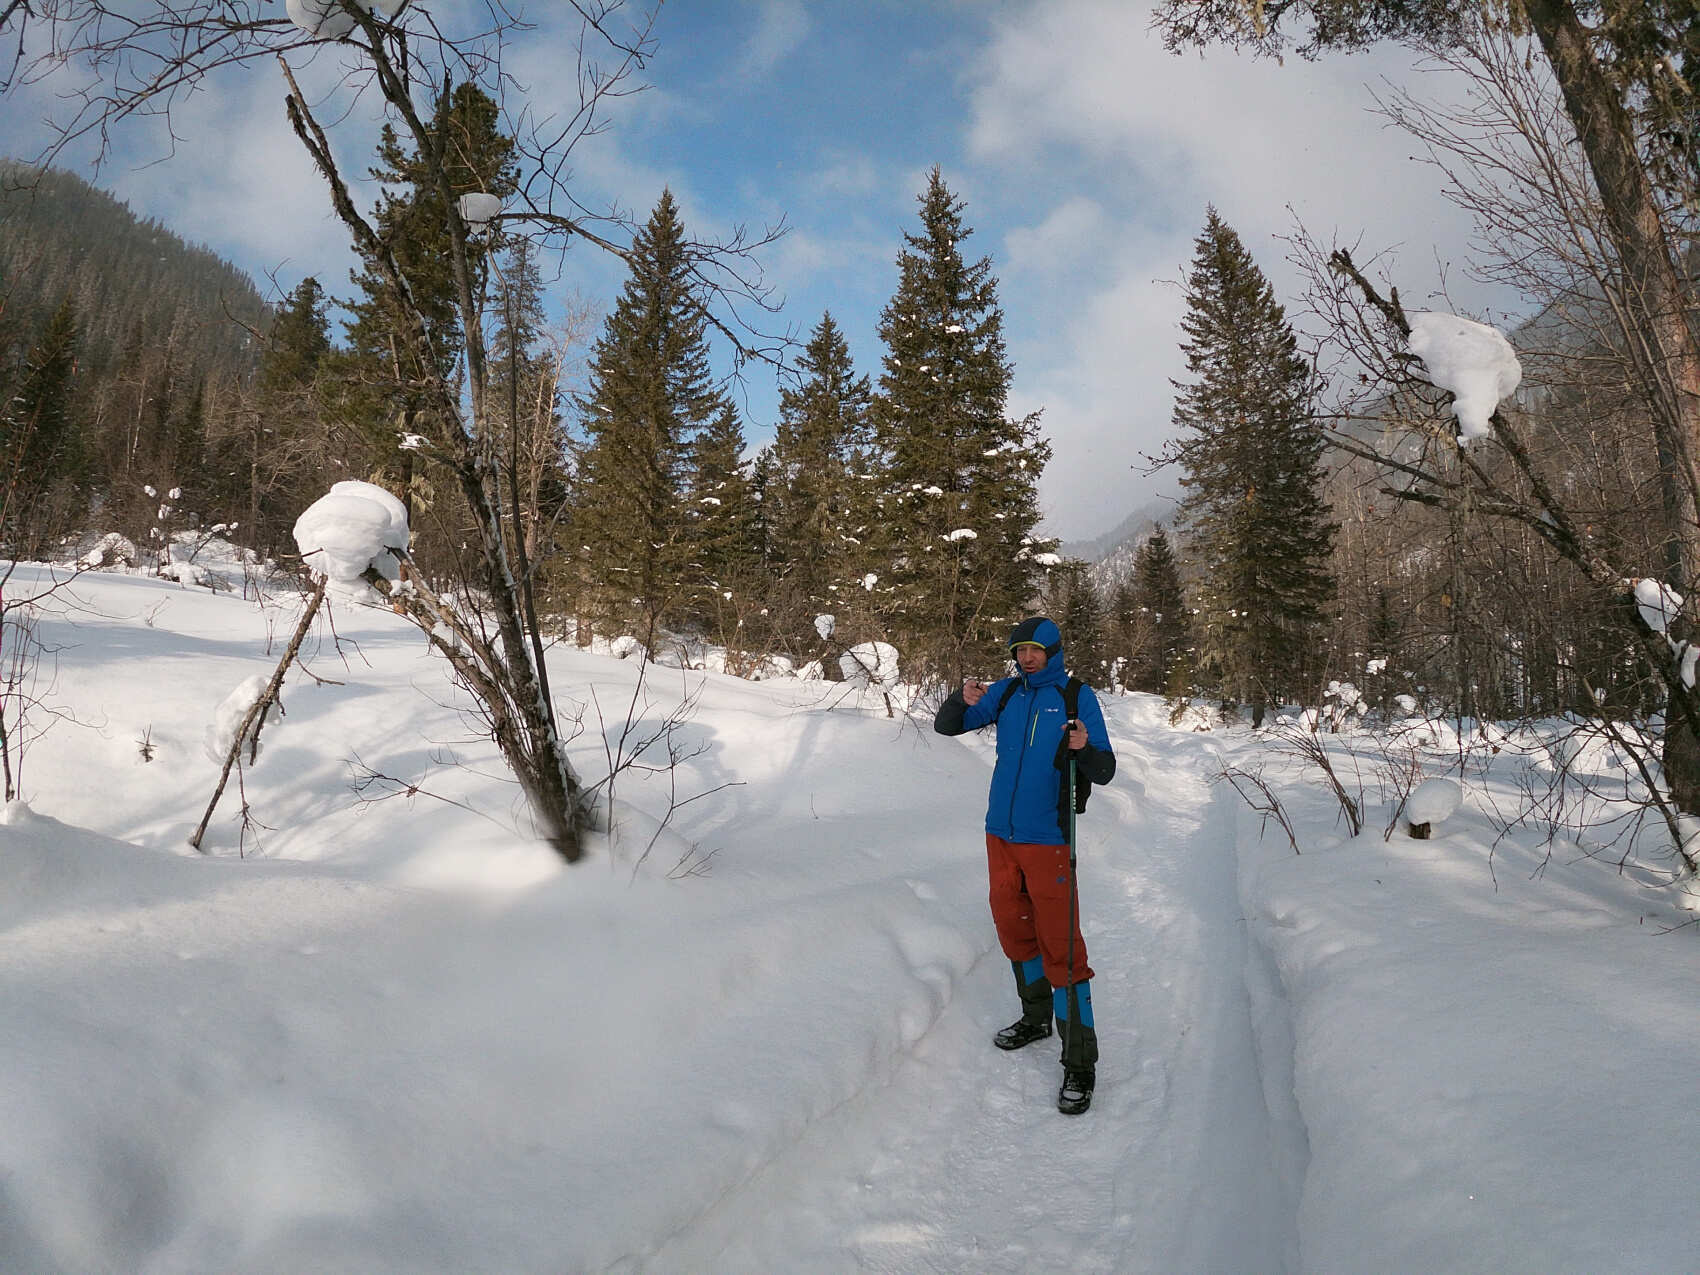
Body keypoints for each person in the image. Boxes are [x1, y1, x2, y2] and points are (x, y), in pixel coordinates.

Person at [934, 616, 1116, 1115]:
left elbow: (1105, 768)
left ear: (1053, 651)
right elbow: (947, 725)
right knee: (1014, 930)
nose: (1027, 658)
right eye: (1020, 650)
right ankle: (1035, 1019)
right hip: (1001, 836)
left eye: (1035, 650)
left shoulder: (1077, 696)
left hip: (1049, 839)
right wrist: (962, 697)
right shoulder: (1007, 694)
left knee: (1062, 945)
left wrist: (1083, 747)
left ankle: (1080, 1064)